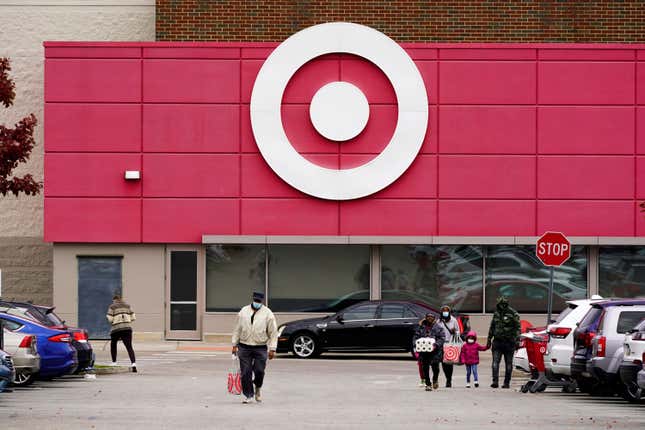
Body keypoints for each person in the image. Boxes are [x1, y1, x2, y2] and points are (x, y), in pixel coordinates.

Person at [232, 292, 278, 404]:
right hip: (244, 346)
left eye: (259, 301)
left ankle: (257, 387)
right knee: (245, 372)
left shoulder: (268, 314)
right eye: (255, 300)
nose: (257, 303)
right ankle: (249, 395)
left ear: (262, 301)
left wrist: (272, 349)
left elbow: (273, 332)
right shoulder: (243, 311)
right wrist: (234, 344)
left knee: (259, 371)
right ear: (253, 299)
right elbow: (237, 328)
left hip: (260, 347)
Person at [486, 296, 521, 388]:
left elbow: (518, 328)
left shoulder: (513, 313)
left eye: (503, 304)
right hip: (497, 341)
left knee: (508, 364)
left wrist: (517, 340)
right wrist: (489, 339)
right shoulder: (496, 313)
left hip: (509, 342)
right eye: (500, 304)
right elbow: (492, 327)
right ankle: (495, 381)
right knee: (495, 362)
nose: (501, 306)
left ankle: (506, 383)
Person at [413, 313, 445, 391]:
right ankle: (428, 384)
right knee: (425, 368)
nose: (430, 318)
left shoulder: (438, 328)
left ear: (434, 318)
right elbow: (415, 337)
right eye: (428, 317)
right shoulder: (420, 327)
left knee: (435, 367)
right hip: (424, 351)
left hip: (435, 351)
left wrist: (436, 345)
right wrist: (416, 345)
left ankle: (435, 380)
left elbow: (442, 338)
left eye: (432, 317)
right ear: (426, 318)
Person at [106, 294, 137, 372]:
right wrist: (127, 320)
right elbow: (133, 317)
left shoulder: (112, 306)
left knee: (113, 345)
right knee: (129, 347)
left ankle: (114, 362)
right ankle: (133, 364)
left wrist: (114, 321)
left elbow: (109, 318)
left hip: (116, 329)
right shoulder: (127, 306)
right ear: (121, 299)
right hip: (127, 328)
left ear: (114, 300)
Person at [438, 305, 460, 387]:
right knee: (443, 363)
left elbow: (458, 333)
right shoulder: (439, 321)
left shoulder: (454, 320)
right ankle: (447, 377)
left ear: (449, 312)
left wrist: (454, 332)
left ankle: (449, 380)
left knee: (449, 363)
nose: (445, 312)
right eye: (443, 311)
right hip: (441, 344)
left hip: (450, 344)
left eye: (447, 311)